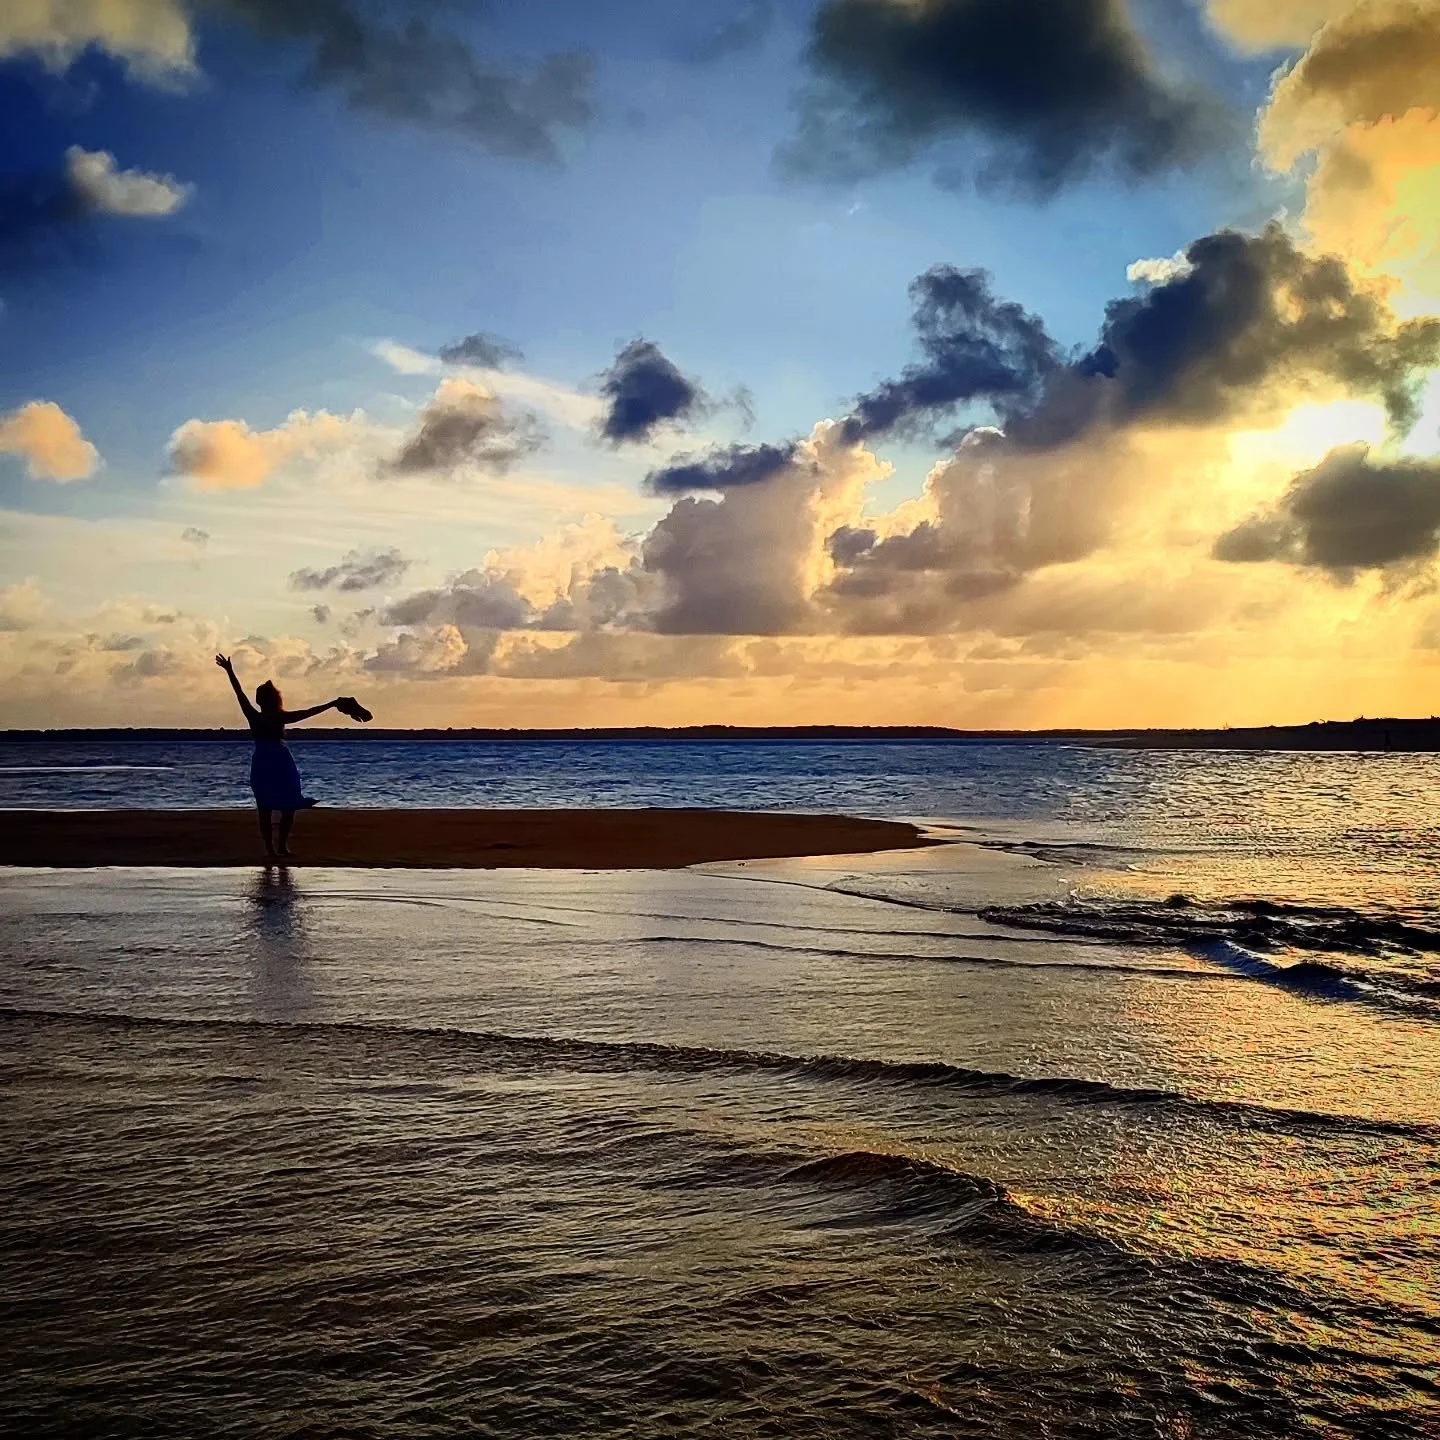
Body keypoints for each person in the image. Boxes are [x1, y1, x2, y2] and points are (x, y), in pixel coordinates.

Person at [215, 654, 370, 860]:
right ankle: (277, 848)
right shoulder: (267, 717)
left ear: (262, 701)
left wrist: (230, 671)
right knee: (280, 806)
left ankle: (275, 849)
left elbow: (240, 693)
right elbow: (308, 712)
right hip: (276, 761)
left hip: (270, 762)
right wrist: (333, 703)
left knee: (271, 807)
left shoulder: (263, 717)